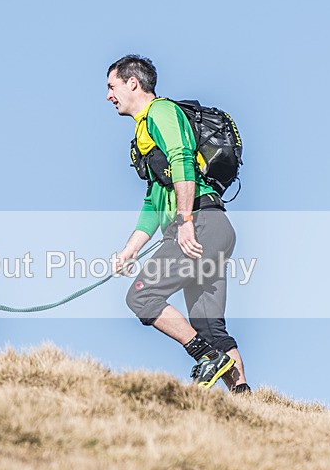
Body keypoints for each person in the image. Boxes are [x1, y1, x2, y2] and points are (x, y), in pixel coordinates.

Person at [106, 54, 250, 393]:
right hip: (210, 228)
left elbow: (183, 159)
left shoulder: (161, 113)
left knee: (142, 297)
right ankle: (247, 401)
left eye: (112, 87)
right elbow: (153, 203)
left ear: (132, 83)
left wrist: (185, 222)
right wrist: (128, 251)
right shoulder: (143, 135)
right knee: (211, 328)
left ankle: (204, 357)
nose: (109, 96)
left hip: (199, 225)